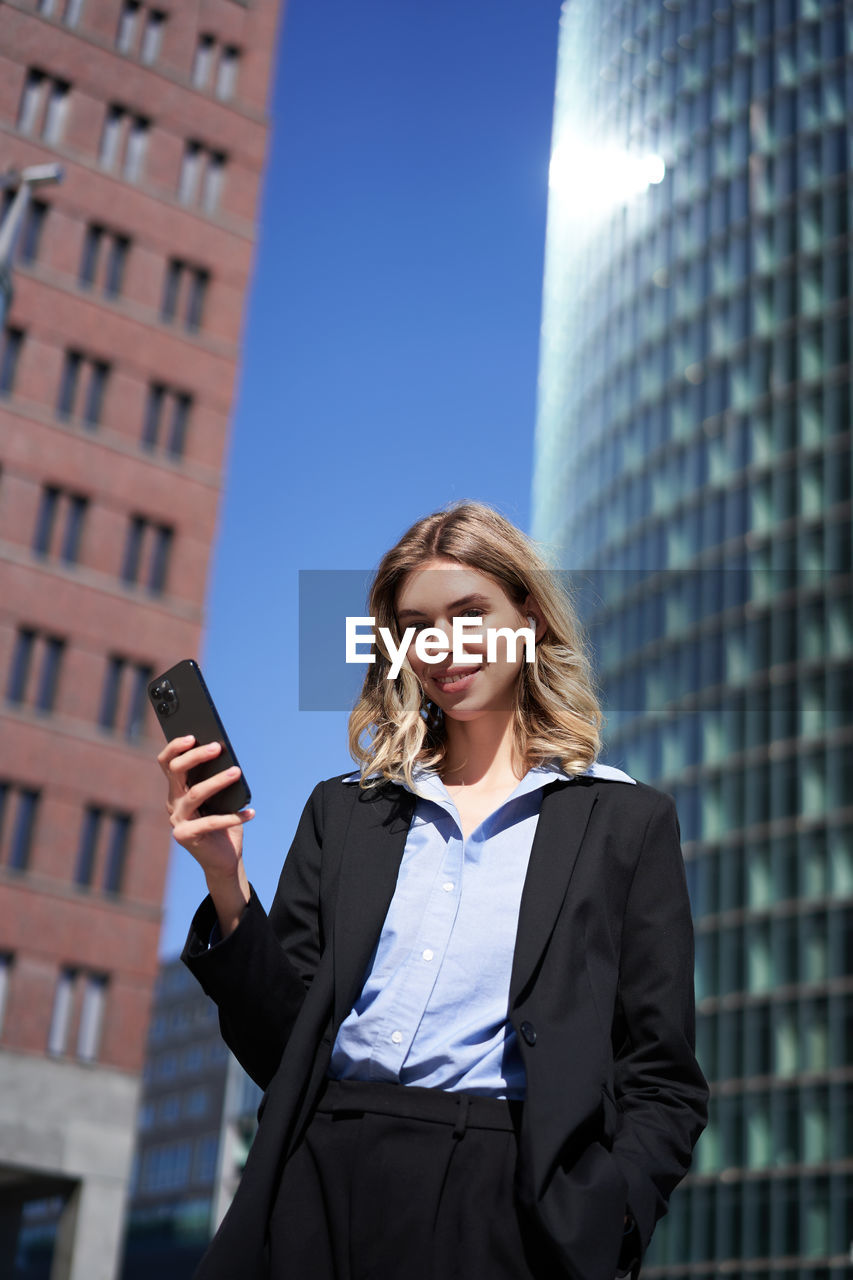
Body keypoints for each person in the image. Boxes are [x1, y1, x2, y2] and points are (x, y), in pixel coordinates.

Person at [159, 501, 708, 1280]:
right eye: (416, 624)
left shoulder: (624, 822)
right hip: (319, 1176)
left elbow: (661, 1074)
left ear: (531, 618)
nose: (441, 645)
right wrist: (225, 880)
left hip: (505, 1196)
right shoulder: (345, 810)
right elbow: (280, 1048)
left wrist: (612, 1212)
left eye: (469, 613)